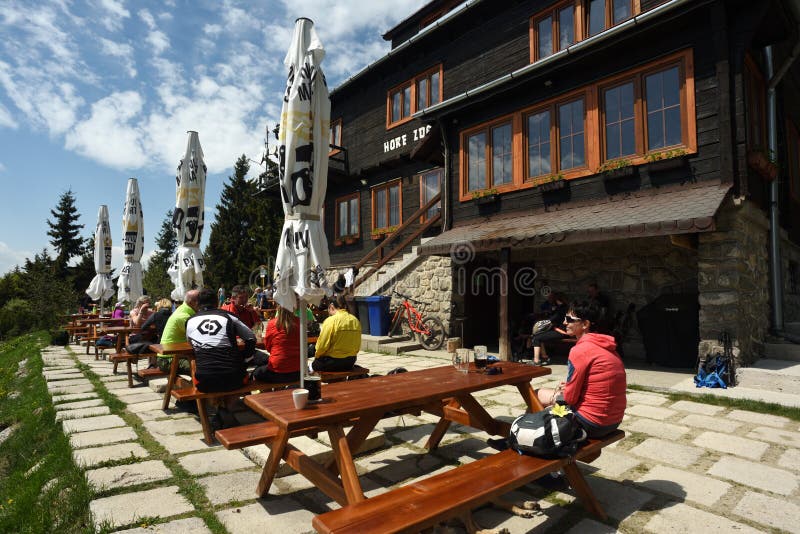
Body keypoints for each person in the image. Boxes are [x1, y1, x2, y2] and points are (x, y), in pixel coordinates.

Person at [537, 301, 626, 439]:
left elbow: (570, 398)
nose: (564, 323)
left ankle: (527, 442)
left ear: (585, 324)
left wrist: (561, 393)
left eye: (569, 319)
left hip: (591, 422)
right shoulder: (608, 347)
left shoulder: (580, 350)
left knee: (537, 394)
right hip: (613, 421)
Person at [186, 288, 256, 428]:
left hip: (204, 380)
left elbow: (191, 345)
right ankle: (226, 409)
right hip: (234, 378)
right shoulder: (229, 316)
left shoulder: (190, 321)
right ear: (217, 302)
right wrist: (246, 360)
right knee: (239, 375)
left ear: (198, 303)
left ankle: (219, 411)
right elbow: (251, 338)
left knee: (211, 376)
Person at [252, 306, 301, 383]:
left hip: (277, 371)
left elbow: (268, 348)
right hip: (298, 371)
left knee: (256, 373)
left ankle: (268, 394)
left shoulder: (272, 323)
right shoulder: (300, 322)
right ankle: (277, 391)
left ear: (278, 309)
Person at [311, 294, 361, 372]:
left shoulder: (331, 320)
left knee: (312, 366)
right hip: (350, 362)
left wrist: (317, 357)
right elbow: (357, 345)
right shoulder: (355, 320)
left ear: (331, 306)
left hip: (332, 362)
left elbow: (322, 347)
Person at [157, 289, 200, 374]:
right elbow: (200, 337)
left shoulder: (183, 311)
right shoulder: (183, 316)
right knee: (204, 367)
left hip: (176, 356)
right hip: (168, 360)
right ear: (192, 302)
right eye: (201, 301)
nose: (203, 304)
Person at [528, 292, 569, 366]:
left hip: (561, 332)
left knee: (537, 337)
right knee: (538, 336)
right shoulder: (563, 307)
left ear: (557, 300)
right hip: (560, 330)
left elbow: (553, 319)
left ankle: (536, 361)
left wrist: (545, 320)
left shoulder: (562, 308)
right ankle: (544, 357)